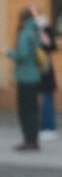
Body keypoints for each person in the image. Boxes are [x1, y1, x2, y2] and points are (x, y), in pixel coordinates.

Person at [8, 8, 43, 150]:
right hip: (35, 75)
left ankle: (28, 140)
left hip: (25, 77)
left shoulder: (24, 34)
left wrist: (9, 53)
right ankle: (34, 139)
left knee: (25, 111)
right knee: (33, 110)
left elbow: (22, 55)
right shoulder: (35, 31)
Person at [35, 12, 58, 140]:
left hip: (46, 73)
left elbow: (51, 46)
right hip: (43, 73)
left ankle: (49, 128)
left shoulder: (45, 31)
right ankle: (46, 127)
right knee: (45, 100)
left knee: (47, 100)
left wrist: (43, 36)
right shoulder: (41, 32)